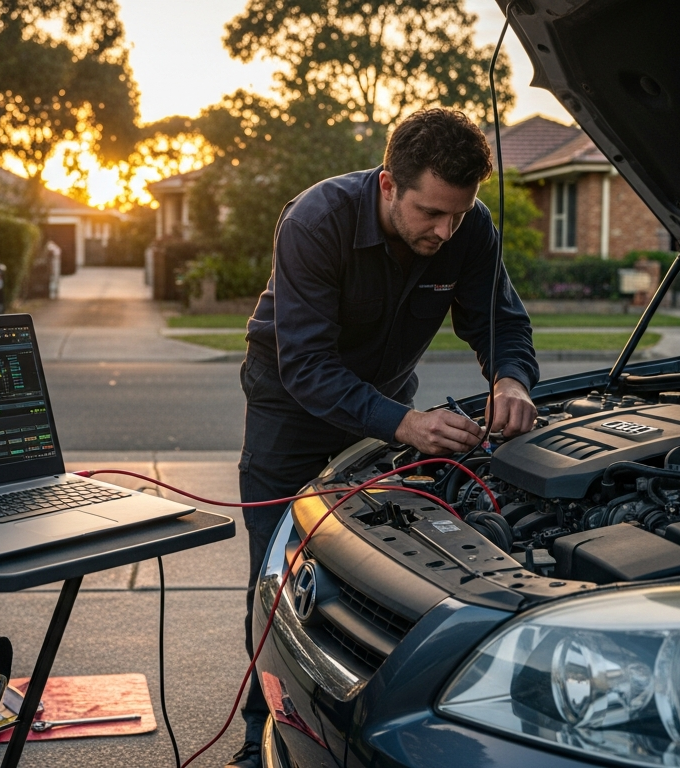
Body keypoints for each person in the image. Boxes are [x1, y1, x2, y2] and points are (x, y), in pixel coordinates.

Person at [228, 108, 540, 768]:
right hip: (290, 407)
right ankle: (261, 739)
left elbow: (502, 323)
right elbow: (307, 366)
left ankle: (361, 729)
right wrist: (408, 425)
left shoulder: (469, 228)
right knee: (278, 575)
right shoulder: (316, 220)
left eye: (458, 214)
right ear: (388, 185)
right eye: (431, 213)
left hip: (387, 407)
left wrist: (511, 380)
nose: (445, 231)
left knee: (378, 573)